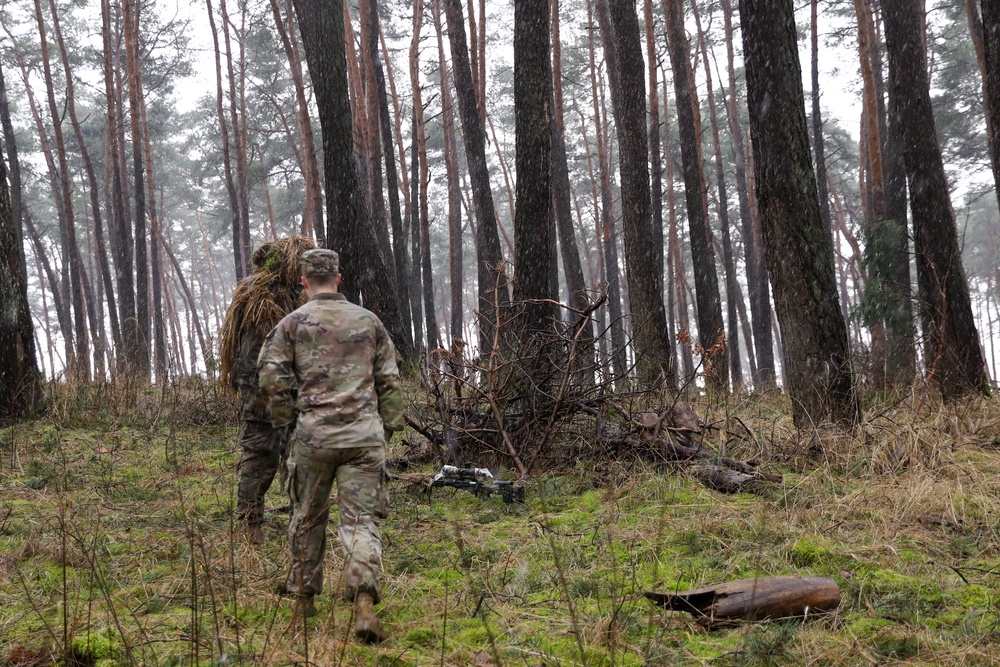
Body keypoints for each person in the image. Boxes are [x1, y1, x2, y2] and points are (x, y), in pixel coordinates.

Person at [257, 248, 403, 643]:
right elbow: (389, 381)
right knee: (361, 523)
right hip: (363, 439)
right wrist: (385, 429)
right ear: (338, 279)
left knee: (307, 517)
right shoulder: (368, 321)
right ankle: (364, 604)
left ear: (304, 282)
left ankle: (303, 601)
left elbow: (270, 379)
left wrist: (288, 424)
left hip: (314, 438)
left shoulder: (291, 324)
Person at [221, 240, 309, 546]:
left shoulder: (296, 296)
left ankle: (302, 518)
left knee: (299, 452)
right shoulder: (261, 296)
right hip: (262, 387)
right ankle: (249, 521)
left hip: (290, 385)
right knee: (262, 452)